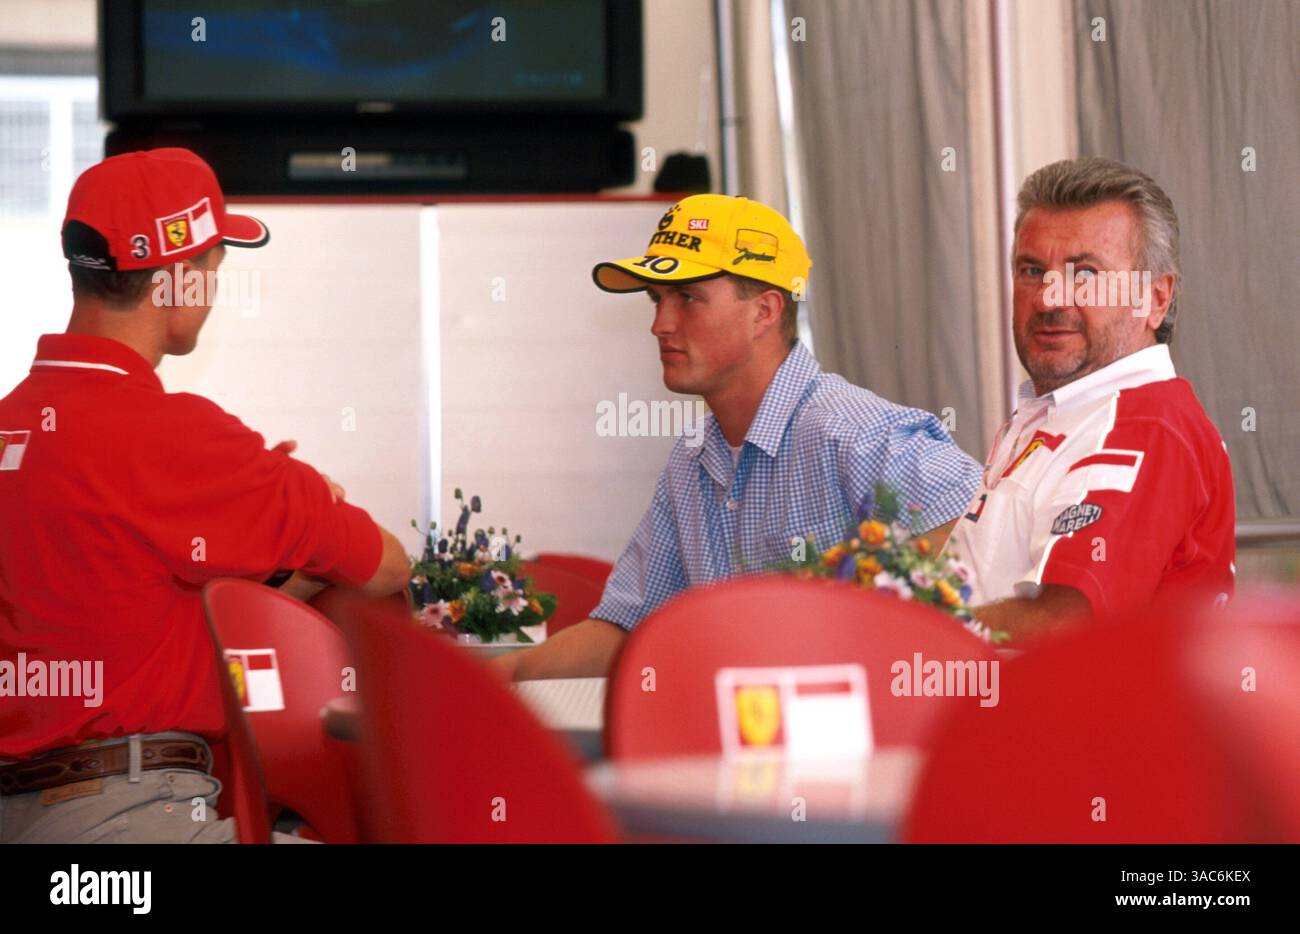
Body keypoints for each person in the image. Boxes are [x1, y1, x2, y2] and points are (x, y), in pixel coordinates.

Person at [0, 148, 410, 842]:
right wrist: (301, 512)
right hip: (129, 820)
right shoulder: (176, 436)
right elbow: (388, 565)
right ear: (174, 281)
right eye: (212, 272)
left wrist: (269, 571)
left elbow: (118, 602)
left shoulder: (16, 420)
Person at [494, 194, 982, 680]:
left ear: (765, 312)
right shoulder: (692, 460)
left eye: (687, 297)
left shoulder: (857, 431)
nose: (659, 325)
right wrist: (506, 673)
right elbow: (624, 629)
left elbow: (977, 549)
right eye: (657, 299)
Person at [945, 157, 1235, 643]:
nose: (1049, 299)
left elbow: (1064, 625)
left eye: (1085, 274)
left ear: (1155, 299)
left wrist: (908, 630)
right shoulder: (1066, 409)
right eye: (1032, 270)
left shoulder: (1142, 425)